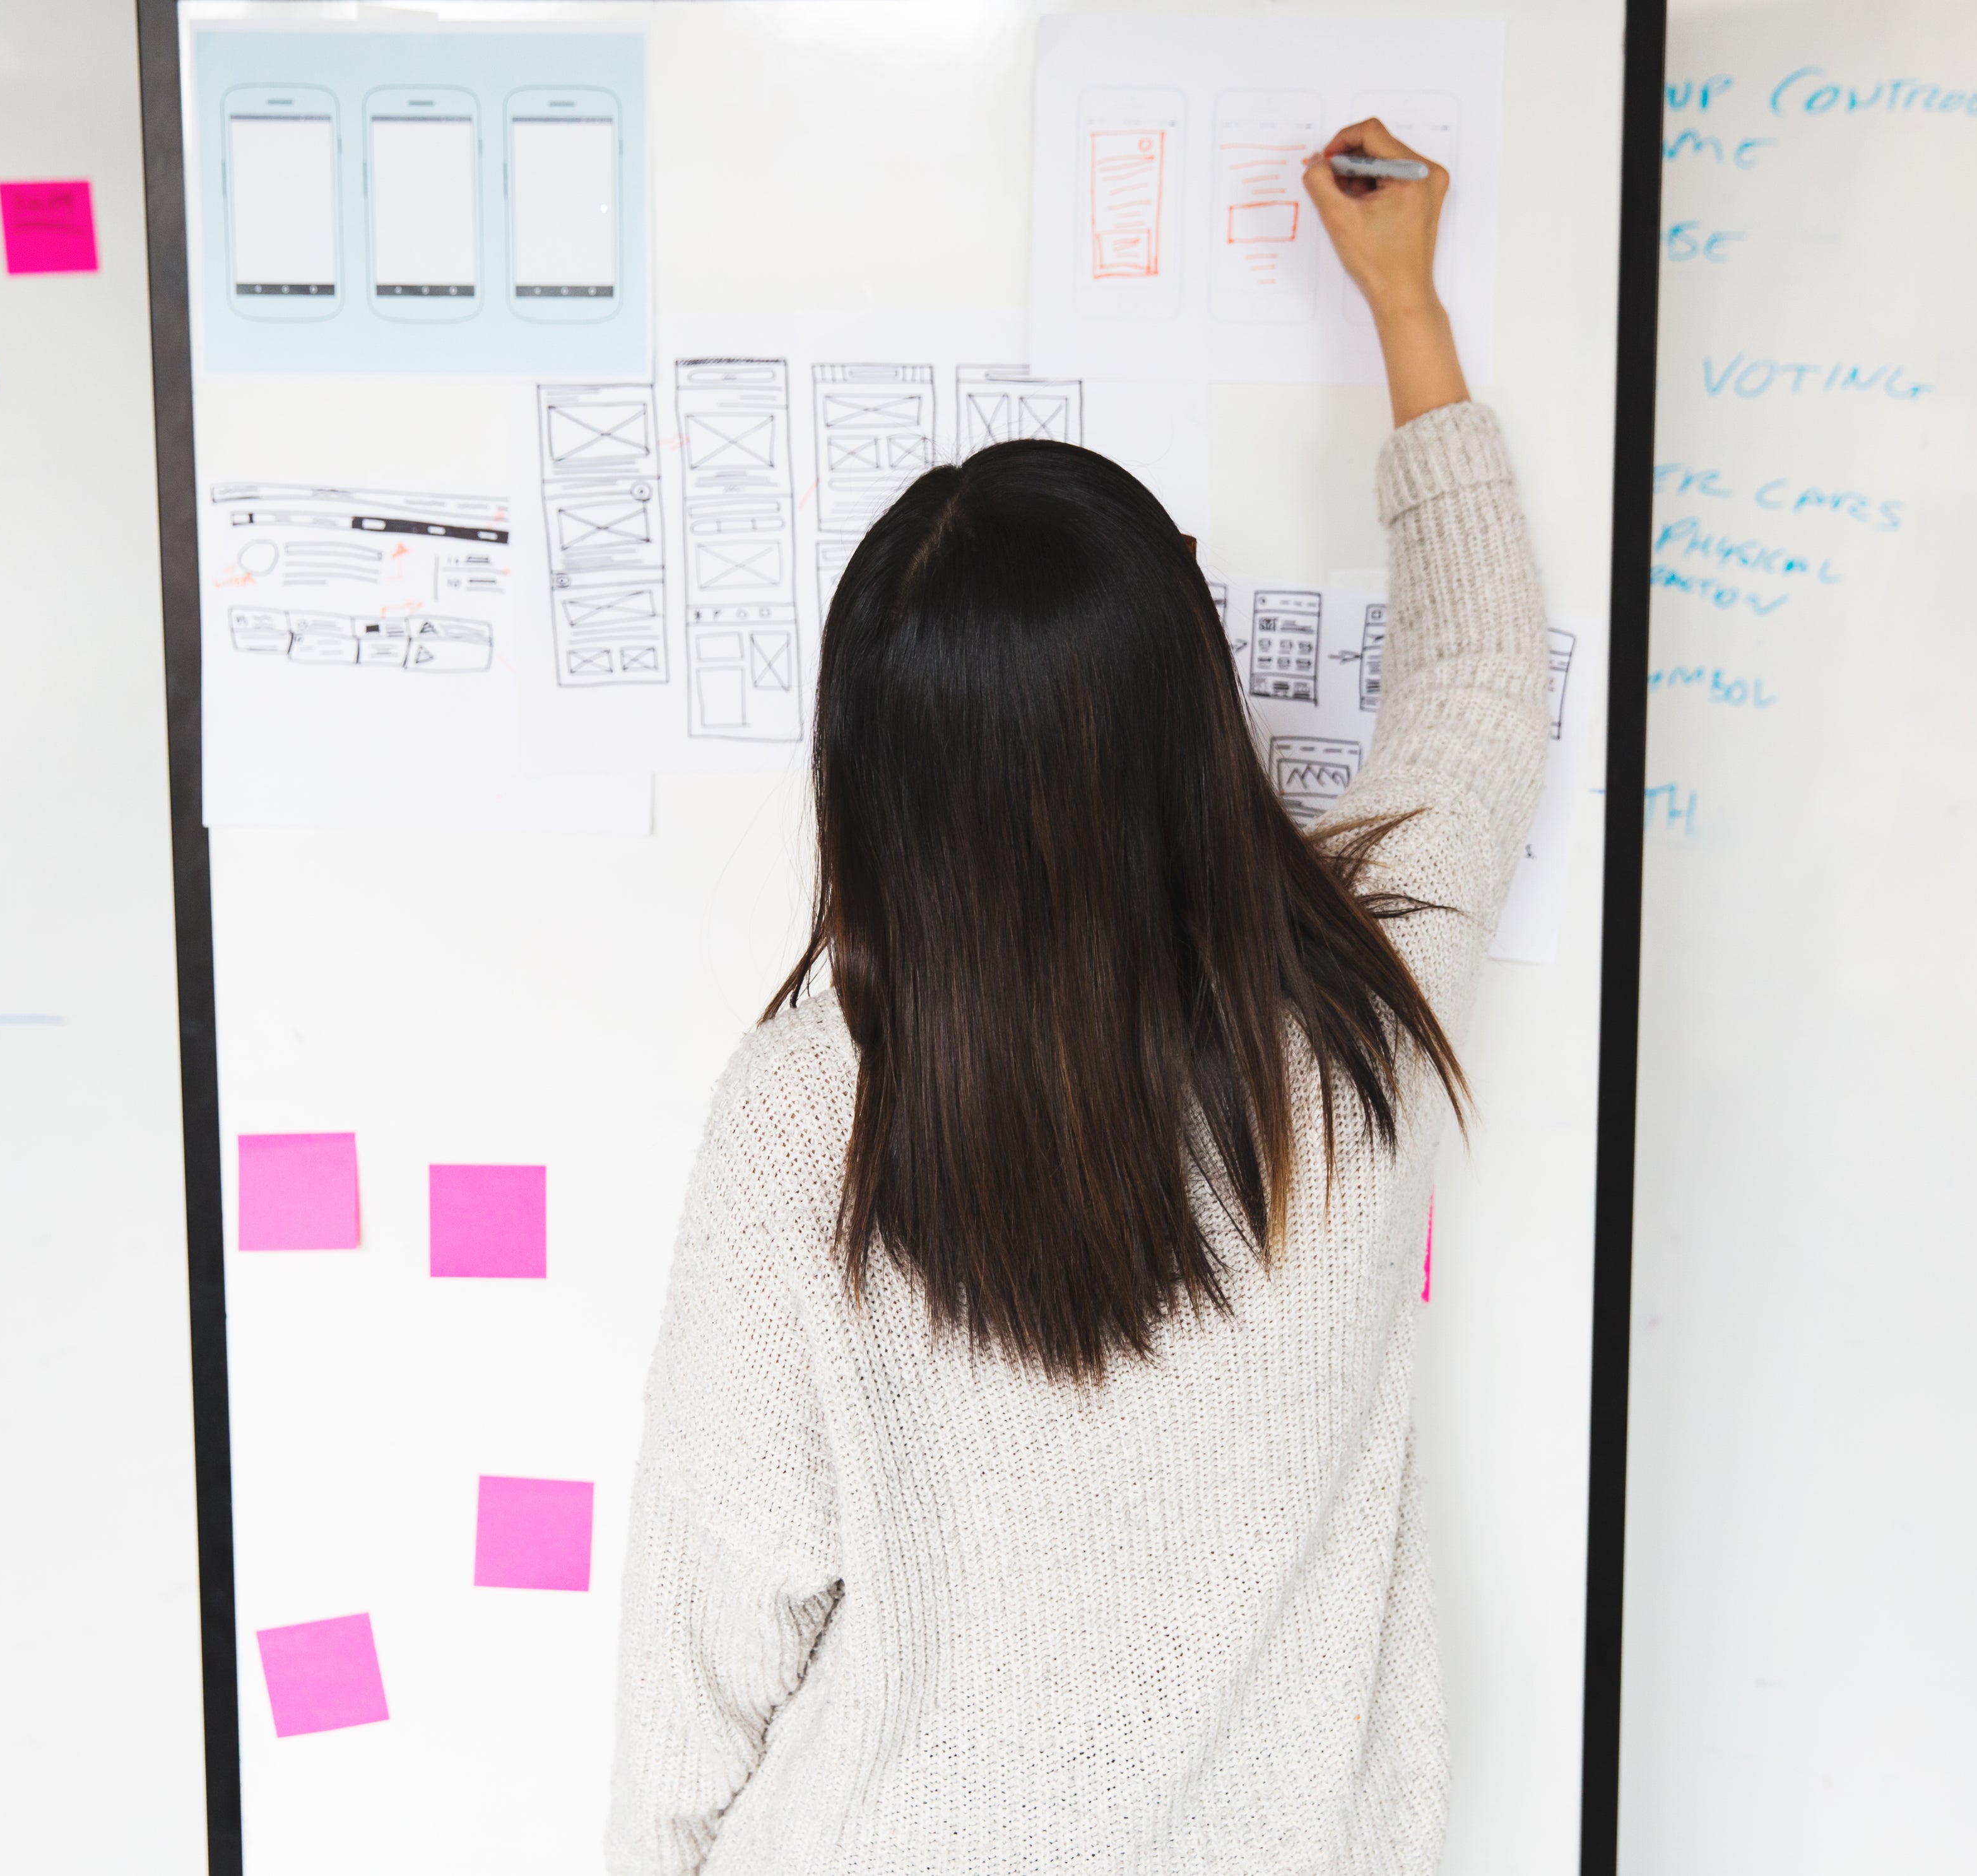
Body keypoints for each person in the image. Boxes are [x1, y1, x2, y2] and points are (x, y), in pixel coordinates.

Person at [608, 117, 1548, 1873]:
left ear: (870, 772)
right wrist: (1405, 308)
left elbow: (708, 1623)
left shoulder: (818, 1110)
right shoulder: (1353, 1024)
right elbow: (1484, 683)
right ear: (1192, 714)